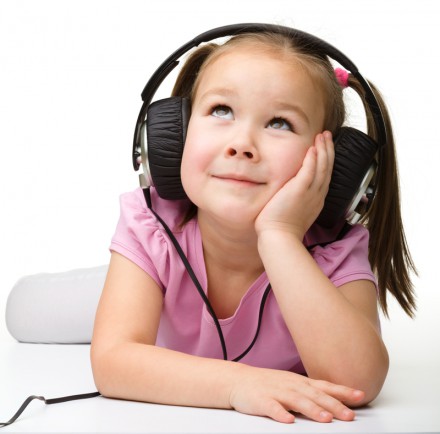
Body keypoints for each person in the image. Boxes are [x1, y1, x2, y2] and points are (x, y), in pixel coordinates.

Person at [6, 26, 417, 424]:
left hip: (200, 288)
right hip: (153, 290)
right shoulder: (152, 225)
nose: (241, 144)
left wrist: (280, 237)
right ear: (174, 135)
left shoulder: (336, 251)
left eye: (279, 123)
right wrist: (238, 386)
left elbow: (358, 382)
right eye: (221, 110)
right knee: (23, 311)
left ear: (332, 162)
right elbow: (114, 362)